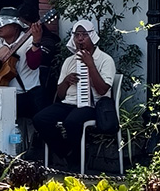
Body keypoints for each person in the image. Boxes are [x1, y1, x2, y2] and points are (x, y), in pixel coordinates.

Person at [31, 17, 116, 170]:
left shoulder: (105, 60)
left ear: (92, 36)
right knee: (40, 119)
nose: (80, 39)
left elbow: (103, 90)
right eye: (77, 35)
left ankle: (76, 160)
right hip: (68, 103)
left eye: (84, 35)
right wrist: (66, 82)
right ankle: (67, 152)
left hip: (92, 105)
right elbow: (61, 95)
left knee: (72, 121)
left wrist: (90, 65)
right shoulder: (70, 61)